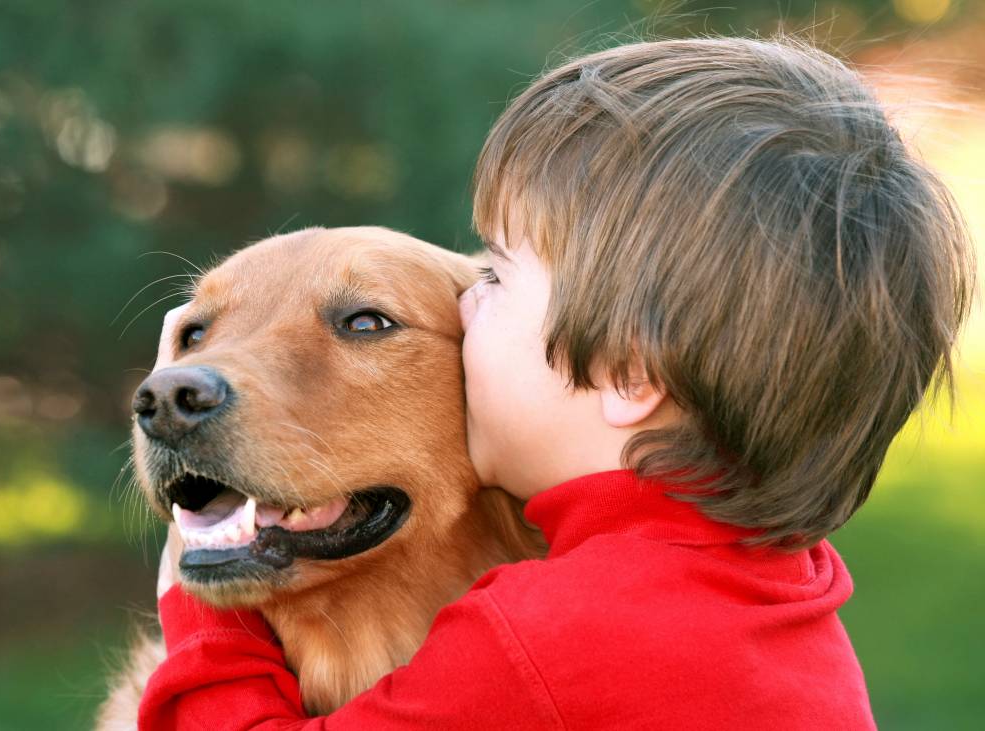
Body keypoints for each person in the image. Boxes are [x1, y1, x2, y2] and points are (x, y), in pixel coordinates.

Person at [137, 36, 975, 729]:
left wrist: (200, 605)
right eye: (200, 333)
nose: (471, 310)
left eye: (495, 277)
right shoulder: (777, 584)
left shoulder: (551, 638)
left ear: (628, 371)